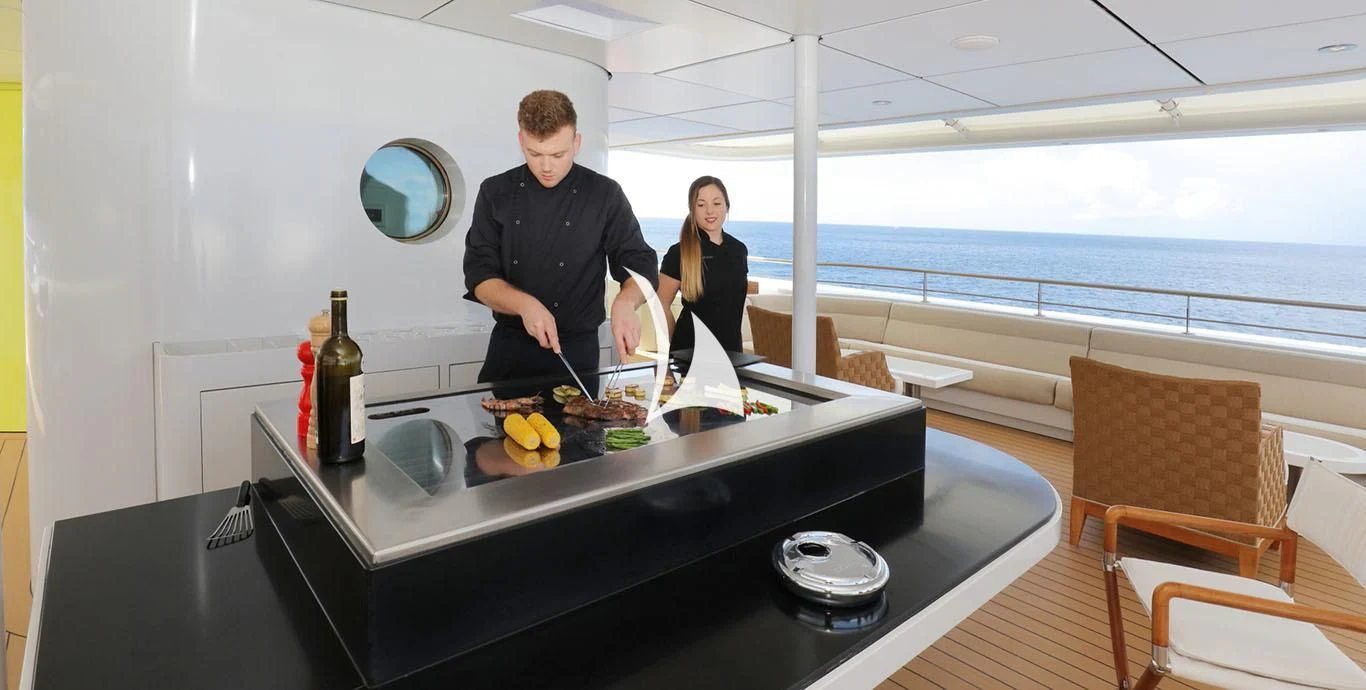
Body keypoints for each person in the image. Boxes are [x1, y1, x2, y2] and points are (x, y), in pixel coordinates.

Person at [463, 90, 658, 384]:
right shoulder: (495, 192)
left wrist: (626, 302)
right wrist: (524, 305)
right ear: (521, 141)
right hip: (510, 352)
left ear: (576, 143)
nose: (546, 167)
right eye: (534, 154)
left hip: (577, 355)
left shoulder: (605, 195)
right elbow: (479, 276)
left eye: (558, 154)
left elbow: (639, 263)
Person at [656, 176, 748, 354]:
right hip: (690, 354)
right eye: (701, 205)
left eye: (716, 203)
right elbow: (660, 305)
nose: (709, 211)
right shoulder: (679, 253)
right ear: (692, 209)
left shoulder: (739, 250)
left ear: (726, 206)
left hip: (732, 354)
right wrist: (674, 347)